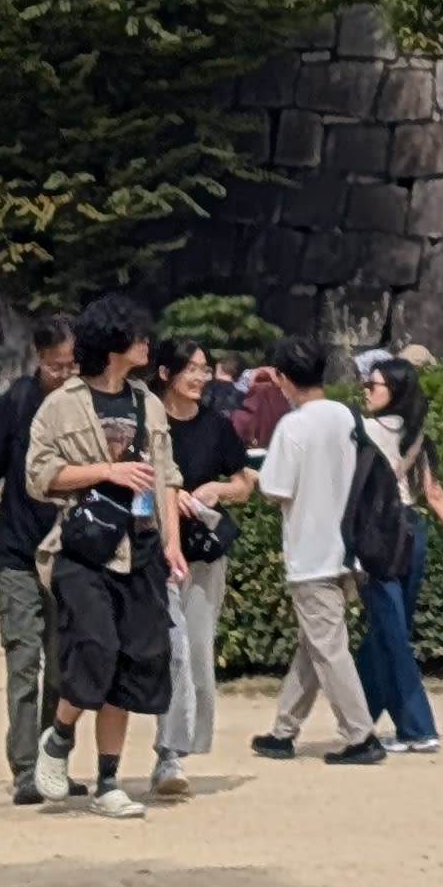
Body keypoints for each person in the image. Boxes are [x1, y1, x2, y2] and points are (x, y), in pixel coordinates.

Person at [22, 294, 184, 817]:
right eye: (136, 335)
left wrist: (172, 544)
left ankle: (108, 780)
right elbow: (39, 477)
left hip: (141, 549)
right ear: (112, 342)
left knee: (137, 660)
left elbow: (168, 480)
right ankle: (60, 735)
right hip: (85, 549)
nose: (145, 343)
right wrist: (105, 472)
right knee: (96, 647)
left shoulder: (149, 403)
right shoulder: (62, 404)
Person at [0, 313, 73, 806]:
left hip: (73, 553)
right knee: (25, 659)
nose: (65, 373)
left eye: (72, 364)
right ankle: (26, 767)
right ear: (39, 359)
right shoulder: (16, 403)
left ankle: (52, 761)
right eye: (56, 365)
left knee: (64, 667)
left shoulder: (86, 404)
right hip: (18, 553)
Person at [248, 336, 383, 765]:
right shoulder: (345, 414)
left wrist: (248, 480)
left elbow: (275, 489)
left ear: (284, 378)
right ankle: (283, 730)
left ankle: (361, 735)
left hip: (311, 553)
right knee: (315, 644)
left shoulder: (294, 425)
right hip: (347, 549)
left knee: (327, 647)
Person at [148, 335, 251, 803]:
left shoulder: (216, 425)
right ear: (166, 373)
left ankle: (174, 751)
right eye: (190, 368)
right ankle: (166, 752)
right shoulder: (147, 421)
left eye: (204, 368)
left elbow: (245, 483)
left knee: (195, 653)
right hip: (152, 550)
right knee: (167, 652)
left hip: (203, 551)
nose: (199, 377)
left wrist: (213, 491)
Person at [356, 355, 443, 753]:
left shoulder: (365, 431)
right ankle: (360, 715)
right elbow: (433, 493)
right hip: (411, 531)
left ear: (394, 391)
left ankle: (416, 727)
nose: (366, 391)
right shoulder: (416, 434)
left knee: (389, 633)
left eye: (373, 386)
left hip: (379, 535)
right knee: (389, 629)